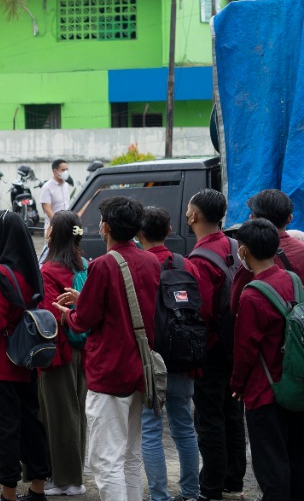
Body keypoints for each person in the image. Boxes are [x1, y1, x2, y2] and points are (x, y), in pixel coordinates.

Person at [54, 197, 160, 501]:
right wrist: (83, 298)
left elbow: (84, 319)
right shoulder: (151, 260)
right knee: (129, 455)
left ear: (106, 227)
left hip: (110, 370)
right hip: (141, 367)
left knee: (105, 460)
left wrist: (68, 314)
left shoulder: (103, 264)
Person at [0, 211, 51, 501]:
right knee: (31, 424)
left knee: (3, 429)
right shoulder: (32, 271)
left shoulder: (0, 274)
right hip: (26, 359)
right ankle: (37, 487)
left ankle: (8, 493)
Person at [228, 218, 304, 501]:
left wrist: (237, 384)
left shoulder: (252, 296)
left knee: (271, 468)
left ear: (244, 252)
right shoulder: (293, 280)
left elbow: (245, 349)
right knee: (297, 460)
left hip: (265, 391)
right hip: (296, 384)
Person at [181, 188, 247, 501]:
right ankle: (234, 479)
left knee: (208, 418)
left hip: (212, 347)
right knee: (232, 411)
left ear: (193, 216)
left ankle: (210, 487)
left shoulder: (199, 259)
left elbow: (202, 311)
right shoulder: (234, 244)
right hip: (236, 341)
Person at [135, 206, 199, 501]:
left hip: (152, 358)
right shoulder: (186, 264)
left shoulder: (139, 265)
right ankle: (190, 491)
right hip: (184, 356)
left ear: (138, 233)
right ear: (169, 230)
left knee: (150, 429)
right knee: (184, 426)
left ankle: (159, 495)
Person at [37, 210, 88, 497]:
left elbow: (47, 316)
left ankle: (65, 478)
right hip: (81, 346)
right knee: (76, 409)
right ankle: (75, 475)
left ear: (54, 234)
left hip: (58, 352)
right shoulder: (84, 264)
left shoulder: (50, 270)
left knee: (58, 415)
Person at [39, 160, 72, 227]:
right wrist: (58, 223)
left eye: (66, 169)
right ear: (55, 171)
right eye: (63, 170)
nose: (65, 172)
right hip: (53, 226)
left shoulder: (66, 185)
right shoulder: (47, 187)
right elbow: (47, 210)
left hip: (66, 225)